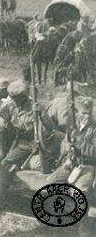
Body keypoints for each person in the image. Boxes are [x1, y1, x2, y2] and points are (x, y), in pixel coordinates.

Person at [0, 80, 54, 213]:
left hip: (36, 144)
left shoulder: (35, 107)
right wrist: (0, 119)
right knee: (5, 164)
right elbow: (0, 115)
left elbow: (50, 129)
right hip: (21, 143)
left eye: (18, 99)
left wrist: (41, 114)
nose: (15, 102)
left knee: (40, 168)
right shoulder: (9, 106)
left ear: (24, 97)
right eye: (13, 98)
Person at [47, 96, 96, 236]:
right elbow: (64, 143)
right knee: (51, 182)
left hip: (88, 166)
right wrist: (68, 155)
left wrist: (79, 139)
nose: (86, 116)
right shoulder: (72, 126)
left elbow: (93, 152)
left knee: (82, 191)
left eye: (88, 113)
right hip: (71, 164)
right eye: (83, 113)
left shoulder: (94, 129)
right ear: (77, 113)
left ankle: (84, 225)